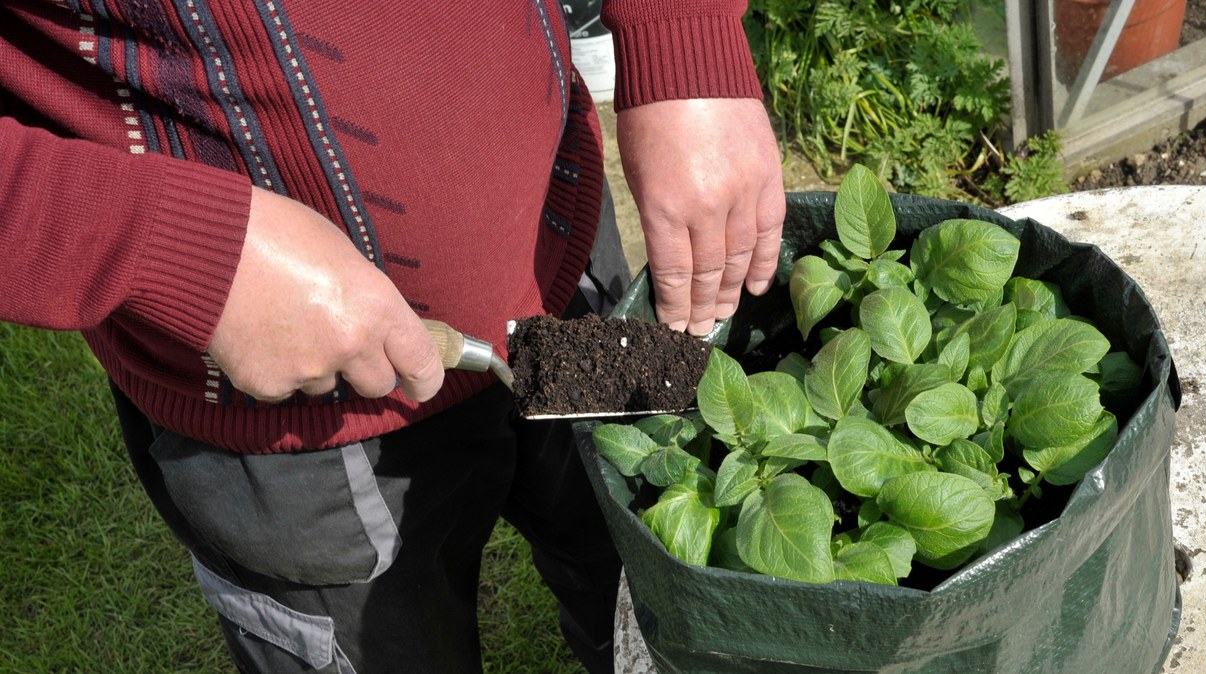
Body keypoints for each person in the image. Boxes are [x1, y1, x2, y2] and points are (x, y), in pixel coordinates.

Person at [0, 1, 785, 672]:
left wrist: (684, 35)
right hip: (296, 416)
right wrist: (169, 248)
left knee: (636, 577)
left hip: (561, 256)